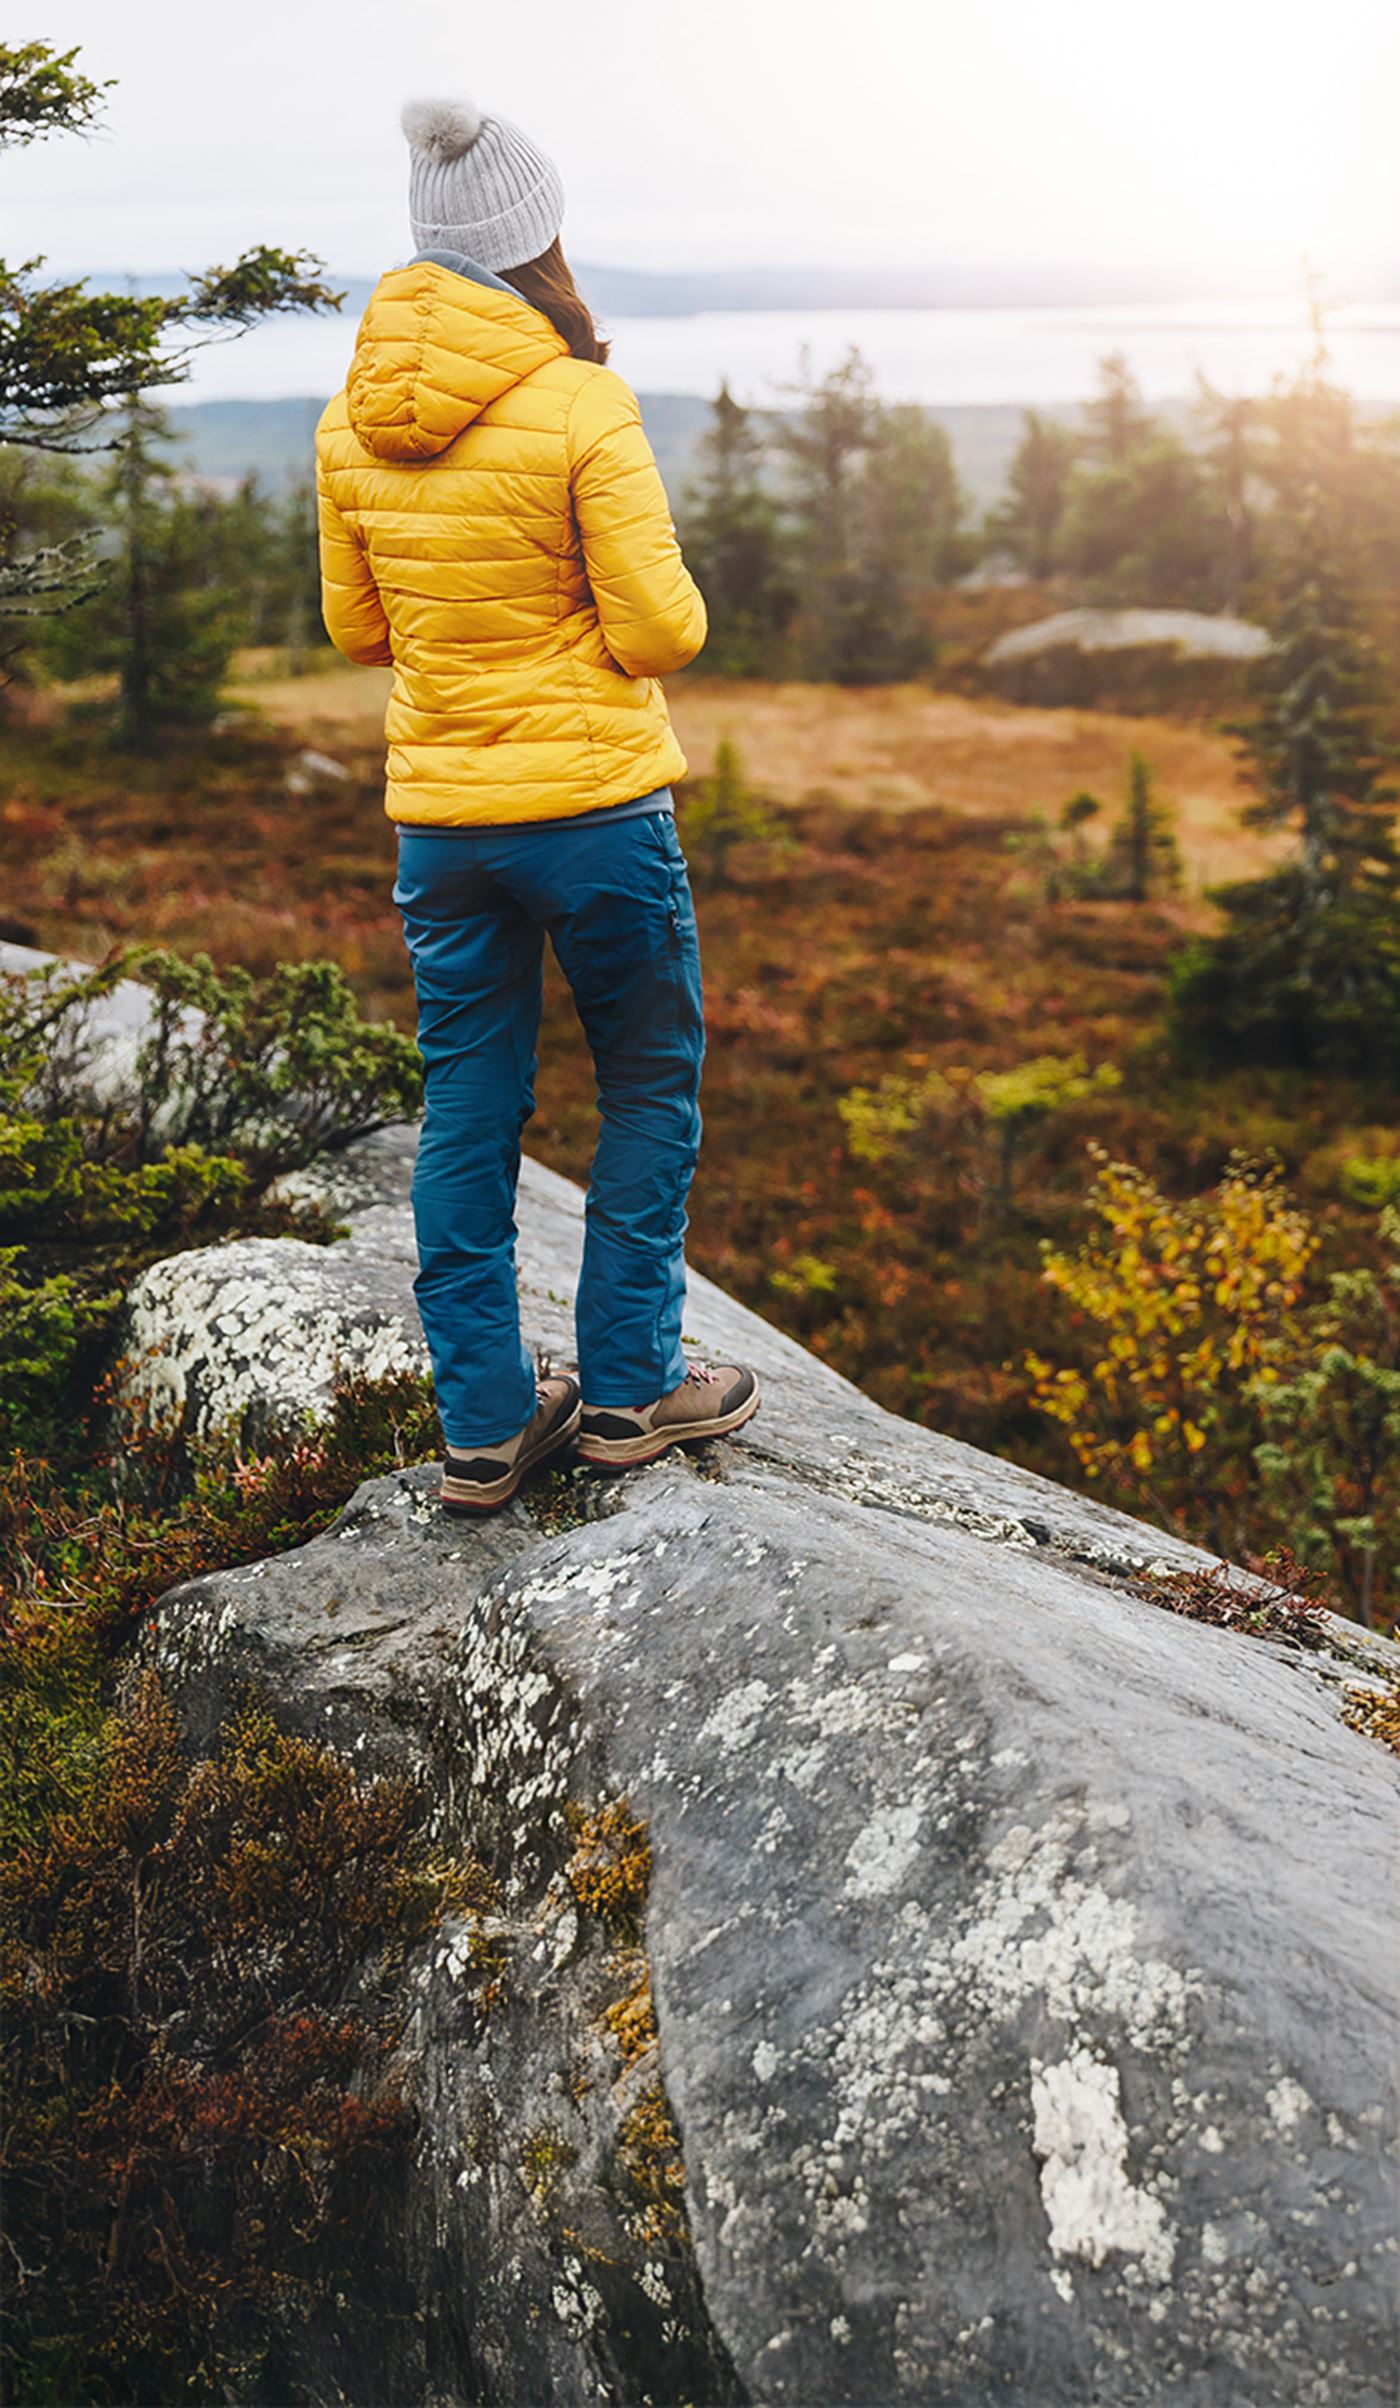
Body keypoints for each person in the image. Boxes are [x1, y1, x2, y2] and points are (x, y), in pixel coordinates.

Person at [315, 93, 760, 1513]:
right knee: (646, 1079)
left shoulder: (346, 419)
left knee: (466, 1106)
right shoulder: (581, 401)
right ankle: (629, 1391)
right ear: (537, 239)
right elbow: (663, 631)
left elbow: (357, 631)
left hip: (444, 826)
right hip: (596, 817)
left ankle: (487, 1423)